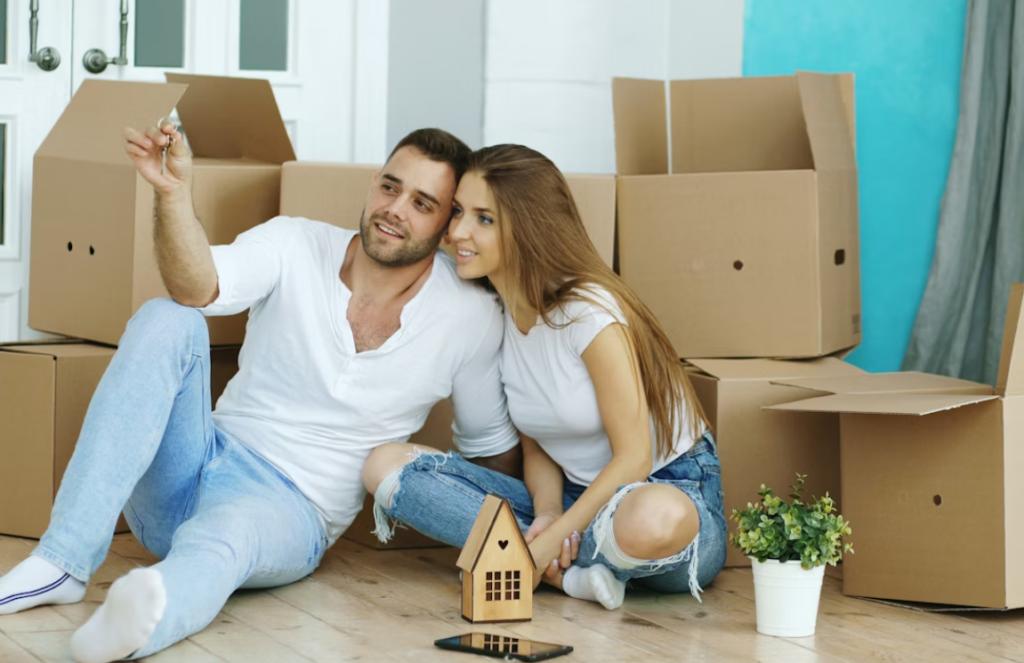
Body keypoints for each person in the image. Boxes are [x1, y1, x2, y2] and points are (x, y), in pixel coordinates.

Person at [0, 126, 520, 662]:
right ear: (372, 185)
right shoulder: (295, 243)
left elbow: (488, 448)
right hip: (197, 461)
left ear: (446, 222)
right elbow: (196, 286)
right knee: (167, 316)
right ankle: (63, 561)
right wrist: (173, 193)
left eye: (422, 202)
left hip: (291, 509)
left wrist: (535, 538)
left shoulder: (469, 314)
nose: (395, 209)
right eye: (389, 188)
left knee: (229, 529)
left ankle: (138, 623)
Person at [362, 144, 727, 611]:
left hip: (665, 493)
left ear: (528, 228)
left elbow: (634, 458)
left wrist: (550, 539)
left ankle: (550, 559)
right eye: (457, 213)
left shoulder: (588, 313)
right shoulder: (499, 313)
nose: (457, 232)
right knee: (387, 466)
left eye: (484, 219)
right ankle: (572, 575)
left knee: (652, 518)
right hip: (575, 501)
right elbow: (537, 444)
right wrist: (550, 514)